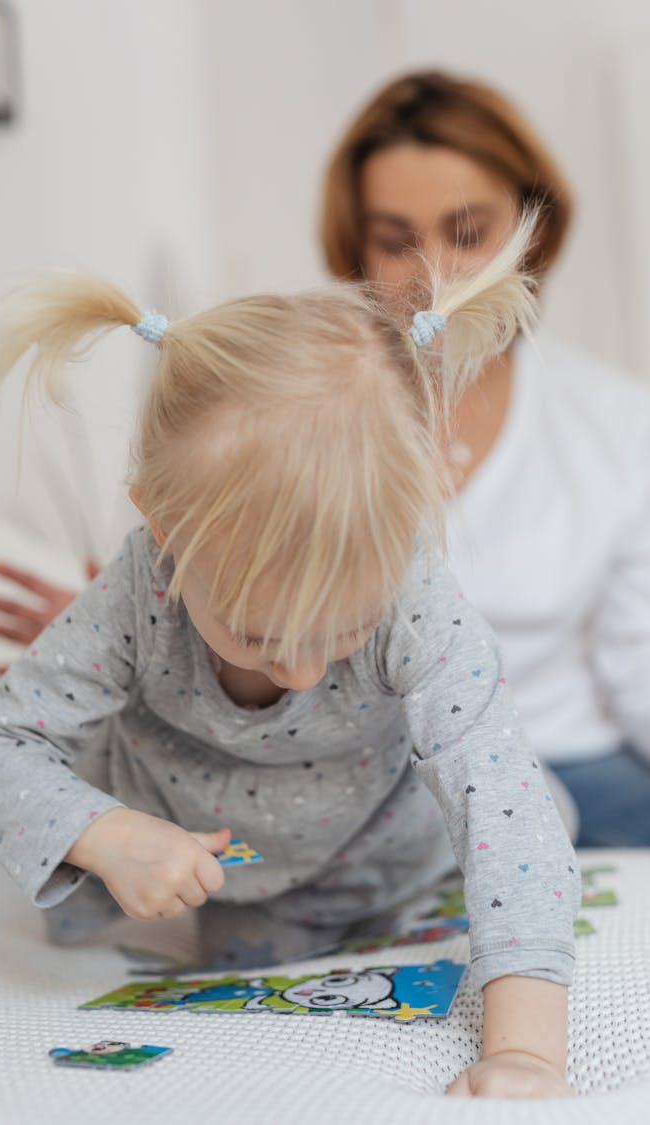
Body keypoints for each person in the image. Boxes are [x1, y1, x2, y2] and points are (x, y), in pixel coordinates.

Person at [0, 236, 579, 1099]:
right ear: (167, 529)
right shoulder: (141, 588)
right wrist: (108, 833)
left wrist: (526, 1055)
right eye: (255, 634)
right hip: (251, 878)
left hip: (388, 842)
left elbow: (500, 815)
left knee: (530, 815)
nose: (302, 670)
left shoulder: (414, 597)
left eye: (345, 628)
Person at [320, 69, 650, 846]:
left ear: (534, 232)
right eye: (397, 239)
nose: (435, 273)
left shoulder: (617, 422)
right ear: (355, 245)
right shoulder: (300, 411)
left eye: (468, 233)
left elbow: (639, 667)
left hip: (571, 765)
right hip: (375, 778)